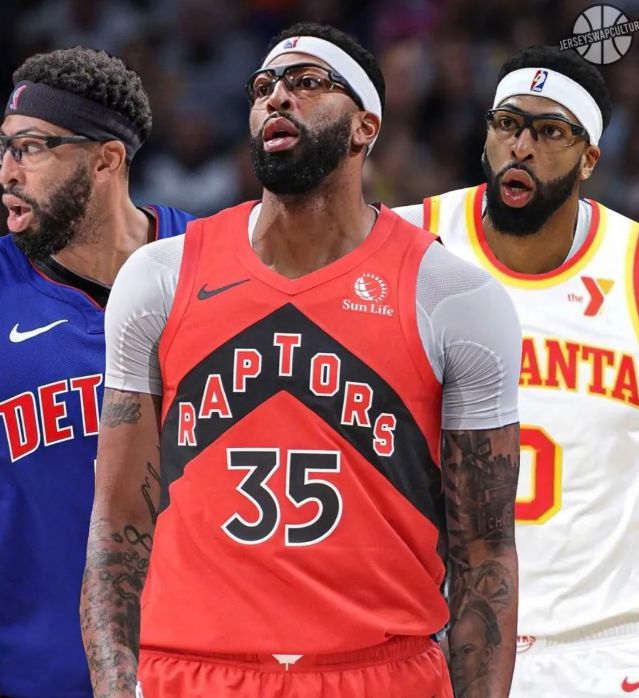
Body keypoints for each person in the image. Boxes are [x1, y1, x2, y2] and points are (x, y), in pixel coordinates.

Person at [81, 23, 521, 698]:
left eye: (308, 82)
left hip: (379, 671)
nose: (277, 98)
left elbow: (484, 552)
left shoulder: (453, 297)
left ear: (365, 127)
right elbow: (117, 523)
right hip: (191, 670)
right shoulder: (159, 279)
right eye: (263, 87)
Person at [394, 45, 639, 698]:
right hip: (437, 641)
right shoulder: (408, 242)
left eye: (549, 132)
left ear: (589, 158)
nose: (521, 147)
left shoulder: (631, 264)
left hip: (602, 645)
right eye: (506, 124)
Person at [0, 47, 193, 698]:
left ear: (106, 160)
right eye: (4, 148)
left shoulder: (216, 267)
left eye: (30, 148)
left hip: (199, 670)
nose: (7, 171)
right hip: (35, 676)